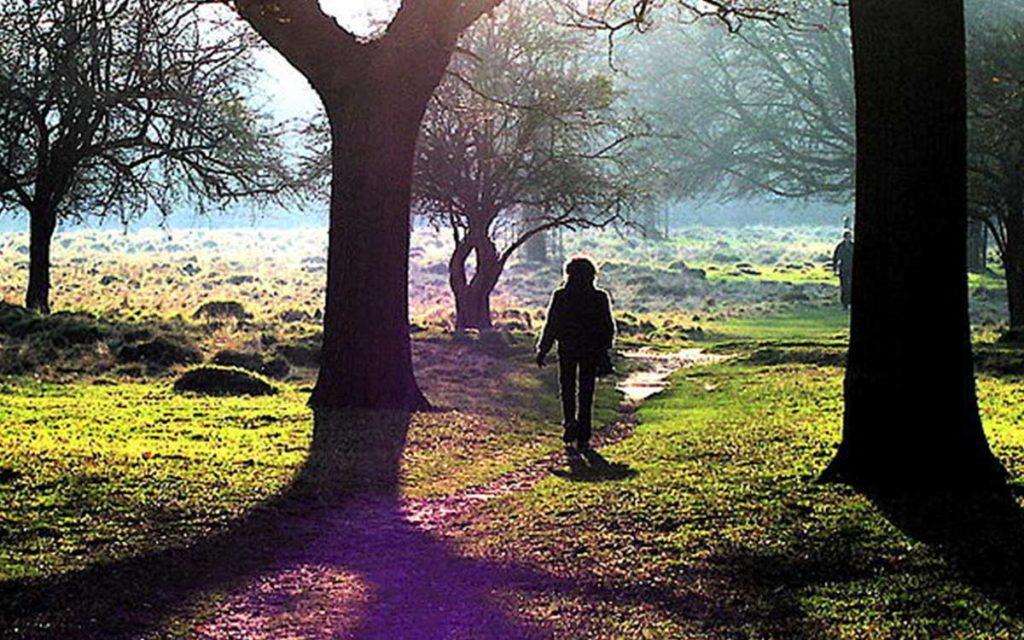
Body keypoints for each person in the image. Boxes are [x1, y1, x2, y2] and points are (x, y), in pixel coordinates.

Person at [536, 256, 616, 450]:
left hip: (567, 347)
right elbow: (607, 326)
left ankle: (570, 422)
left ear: (569, 274)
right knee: (586, 391)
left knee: (568, 388)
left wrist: (543, 349)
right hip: (591, 349)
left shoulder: (561, 295)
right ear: (591, 275)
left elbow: (552, 324)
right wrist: (605, 349)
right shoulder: (599, 297)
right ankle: (584, 435)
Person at [832, 229, 855, 310]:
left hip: (851, 268)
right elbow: (835, 258)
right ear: (844, 238)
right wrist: (834, 269)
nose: (849, 239)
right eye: (847, 237)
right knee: (844, 287)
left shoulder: (853, 246)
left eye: (850, 237)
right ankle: (844, 304)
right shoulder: (840, 247)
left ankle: (850, 303)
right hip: (843, 269)